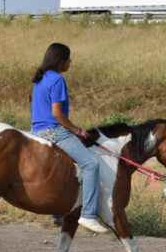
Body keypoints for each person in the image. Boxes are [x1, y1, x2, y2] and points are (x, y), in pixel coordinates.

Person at [30, 42, 109, 234]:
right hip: (54, 131)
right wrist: (77, 130)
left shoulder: (40, 79)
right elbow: (57, 113)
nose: (70, 62)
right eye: (69, 59)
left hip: (36, 131)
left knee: (73, 169)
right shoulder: (57, 80)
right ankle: (88, 215)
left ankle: (62, 210)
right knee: (91, 164)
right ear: (61, 61)